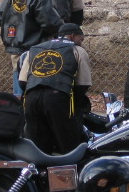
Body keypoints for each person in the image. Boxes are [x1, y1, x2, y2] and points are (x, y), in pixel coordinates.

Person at [0, 0, 64, 96]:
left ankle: (19, 114)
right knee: (32, 89)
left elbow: (0, 15)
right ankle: (28, 116)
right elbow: (49, 21)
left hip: (15, 46)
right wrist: (63, 31)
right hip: (35, 48)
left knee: (18, 84)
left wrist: (13, 33)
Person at [19, 23, 92, 154]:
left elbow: (22, 81)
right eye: (81, 39)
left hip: (31, 98)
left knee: (38, 147)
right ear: (72, 36)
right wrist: (75, 107)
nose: (81, 43)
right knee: (68, 145)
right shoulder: (77, 50)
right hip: (58, 98)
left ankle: (40, 172)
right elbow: (83, 84)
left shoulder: (34, 49)